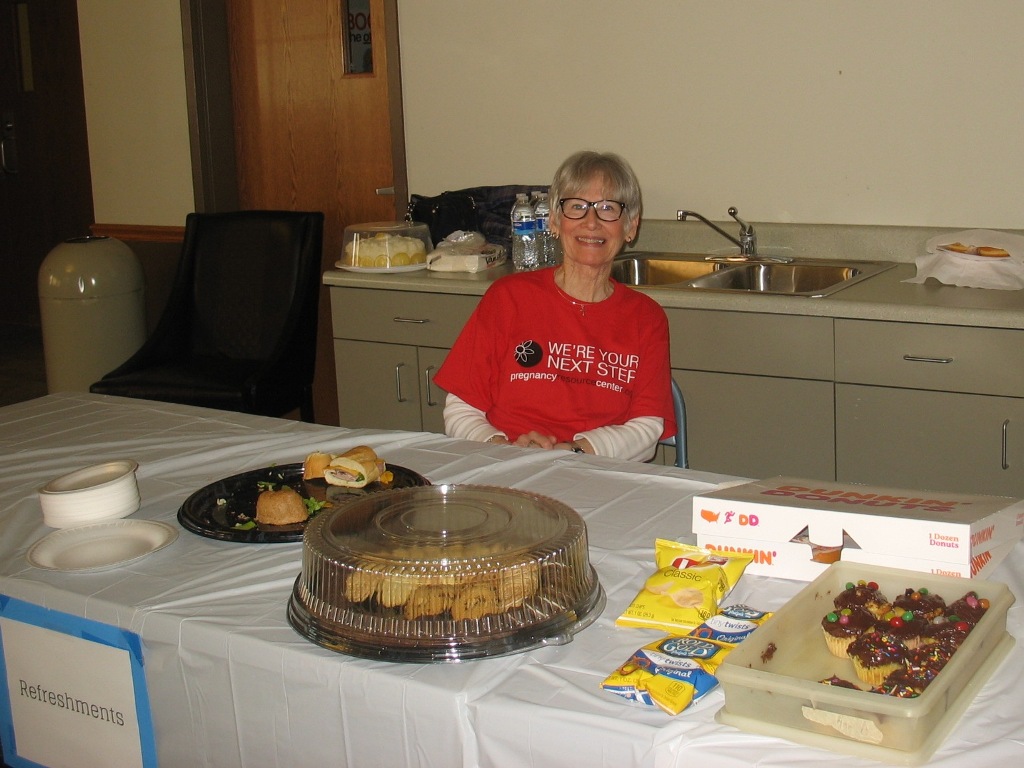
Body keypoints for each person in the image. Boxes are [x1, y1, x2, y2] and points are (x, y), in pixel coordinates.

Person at [433, 150, 676, 462]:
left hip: (597, 472)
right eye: (577, 207)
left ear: (631, 227)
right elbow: (461, 409)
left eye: (608, 208)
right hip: (505, 465)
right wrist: (503, 447)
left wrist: (573, 451)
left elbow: (646, 429)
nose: (591, 222)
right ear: (554, 221)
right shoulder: (507, 298)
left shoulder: (646, 317)